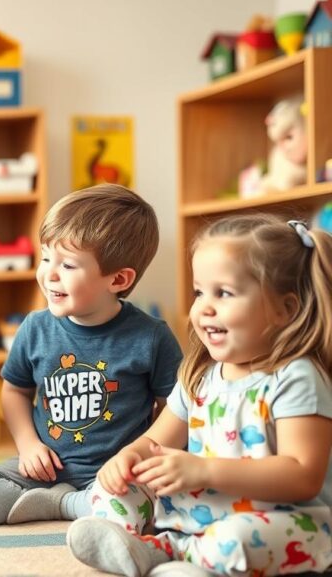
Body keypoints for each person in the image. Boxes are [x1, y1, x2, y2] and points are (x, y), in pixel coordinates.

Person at [67, 215, 332, 577]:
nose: (203, 308)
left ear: (285, 310)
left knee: (236, 540)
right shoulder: (200, 375)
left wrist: (204, 469)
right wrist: (128, 458)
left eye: (223, 293)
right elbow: (154, 442)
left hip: (285, 520)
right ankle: (142, 545)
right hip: (200, 509)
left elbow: (303, 476)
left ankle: (165, 553)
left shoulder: (296, 377)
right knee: (111, 487)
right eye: (199, 292)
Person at [0, 184, 183, 527]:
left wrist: (144, 459)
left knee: (135, 509)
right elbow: (15, 390)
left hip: (115, 476)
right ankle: (68, 503)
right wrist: (28, 447)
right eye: (45, 258)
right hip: (47, 468)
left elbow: (173, 410)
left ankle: (66, 505)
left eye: (68, 265)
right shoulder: (35, 328)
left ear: (118, 279)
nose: (49, 274)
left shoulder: (151, 337)